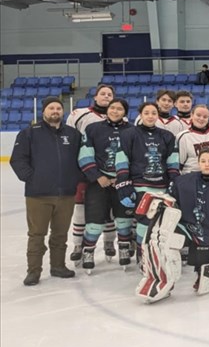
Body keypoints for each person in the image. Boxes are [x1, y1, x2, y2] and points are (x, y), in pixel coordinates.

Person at [137, 148, 209, 301]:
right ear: (198, 163)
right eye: (203, 161)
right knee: (160, 233)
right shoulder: (182, 182)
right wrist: (158, 203)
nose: (207, 164)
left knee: (205, 284)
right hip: (187, 229)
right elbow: (170, 204)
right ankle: (160, 278)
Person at [11, 97, 82, 286]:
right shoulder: (29, 133)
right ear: (44, 111)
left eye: (59, 108)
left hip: (66, 193)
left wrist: (74, 179)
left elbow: (81, 160)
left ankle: (58, 266)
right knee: (37, 234)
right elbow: (17, 160)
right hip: (38, 195)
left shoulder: (73, 134)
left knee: (60, 234)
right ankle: (34, 271)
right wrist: (32, 178)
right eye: (51, 108)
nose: (55, 111)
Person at [76, 98, 134, 273]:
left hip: (122, 183)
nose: (115, 111)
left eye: (119, 109)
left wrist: (123, 177)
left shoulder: (132, 131)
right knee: (94, 222)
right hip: (98, 183)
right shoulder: (93, 129)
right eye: (112, 108)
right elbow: (85, 155)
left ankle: (124, 248)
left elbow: (136, 157)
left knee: (124, 220)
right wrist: (97, 176)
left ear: (125, 112)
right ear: (107, 110)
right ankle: (88, 251)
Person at [116, 102, 180, 248]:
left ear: (158, 115)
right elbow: (122, 159)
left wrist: (173, 182)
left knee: (159, 223)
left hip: (161, 187)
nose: (150, 116)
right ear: (140, 115)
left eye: (153, 113)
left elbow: (173, 162)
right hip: (140, 186)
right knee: (145, 222)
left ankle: (154, 254)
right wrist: (123, 183)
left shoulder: (167, 136)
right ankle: (142, 253)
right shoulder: (128, 134)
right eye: (146, 113)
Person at [65, 84, 117, 264]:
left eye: (110, 94)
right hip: (83, 169)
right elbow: (69, 139)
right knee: (80, 208)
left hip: (107, 171)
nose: (106, 97)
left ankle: (109, 242)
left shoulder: (117, 116)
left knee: (108, 208)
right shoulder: (79, 114)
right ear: (95, 97)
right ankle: (78, 244)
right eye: (103, 94)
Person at [176, 105, 209, 173]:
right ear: (192, 115)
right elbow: (179, 164)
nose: (201, 119)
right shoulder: (183, 136)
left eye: (205, 117)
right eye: (198, 115)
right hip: (191, 176)